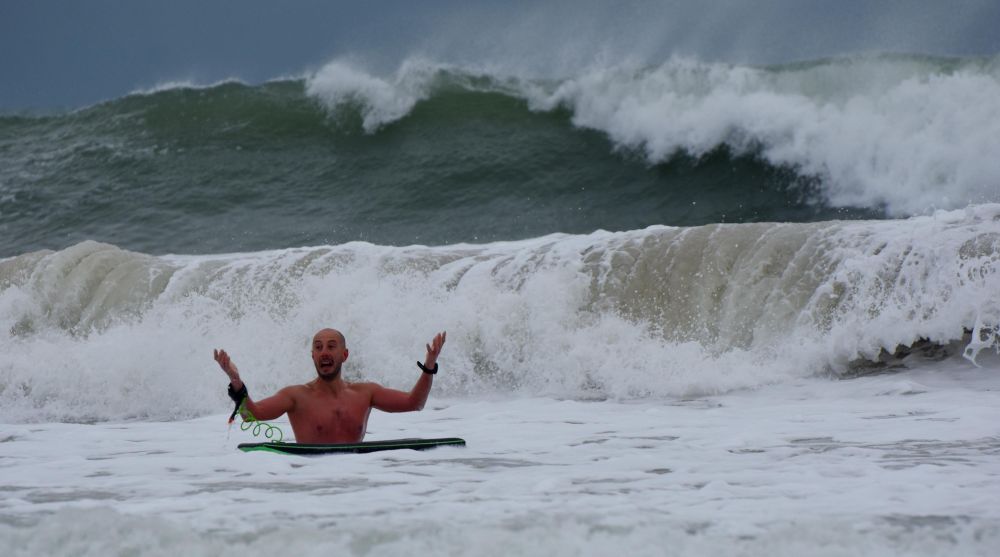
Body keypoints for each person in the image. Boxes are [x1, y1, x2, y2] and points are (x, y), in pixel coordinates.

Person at [213, 328, 446, 444]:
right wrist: (236, 381)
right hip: (313, 483)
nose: (324, 352)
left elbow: (414, 404)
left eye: (331, 346)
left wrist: (428, 367)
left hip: (359, 480)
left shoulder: (366, 393)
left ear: (344, 354)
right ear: (312, 356)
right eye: (318, 347)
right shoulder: (296, 396)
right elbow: (251, 416)